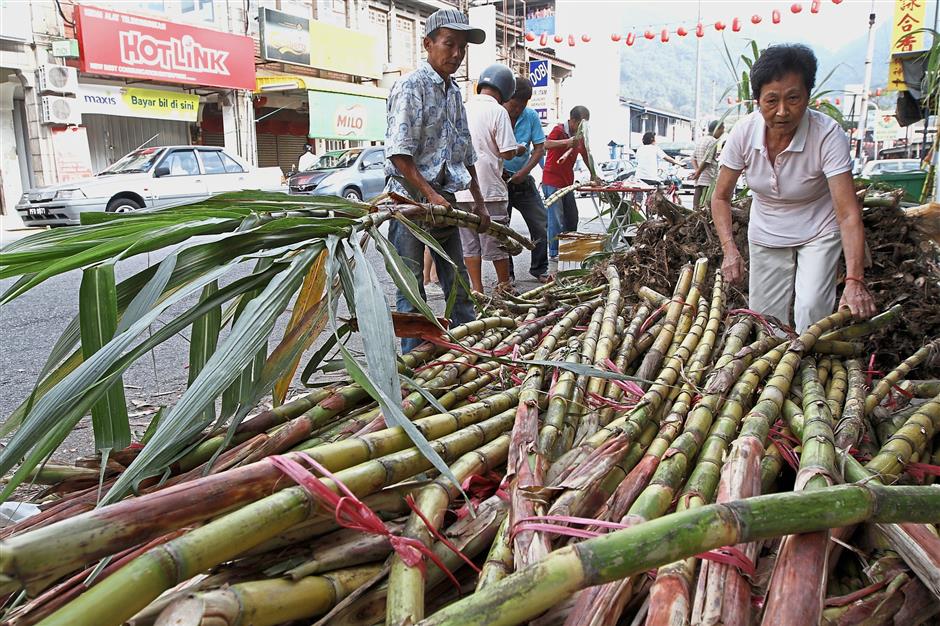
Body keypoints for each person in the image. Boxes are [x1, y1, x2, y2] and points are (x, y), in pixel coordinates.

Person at [712, 43, 877, 333]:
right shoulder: (743, 133)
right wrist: (730, 250)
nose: (782, 111)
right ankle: (775, 372)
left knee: (811, 307)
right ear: (757, 101)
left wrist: (854, 281)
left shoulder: (827, 135)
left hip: (819, 228)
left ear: (808, 96)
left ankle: (808, 366)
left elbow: (849, 213)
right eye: (771, 101)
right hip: (766, 229)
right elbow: (721, 197)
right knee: (766, 319)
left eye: (793, 98)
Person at [384, 8, 489, 352]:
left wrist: (480, 204)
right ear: (428, 44)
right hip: (409, 203)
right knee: (410, 290)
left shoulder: (455, 92)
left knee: (457, 281)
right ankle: (413, 366)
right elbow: (399, 154)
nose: (456, 54)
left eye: (462, 47)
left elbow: (465, 152)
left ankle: (468, 350)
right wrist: (428, 195)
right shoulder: (410, 87)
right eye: (449, 44)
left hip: (443, 200)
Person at [455, 64, 519, 294]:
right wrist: (518, 149)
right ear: (505, 90)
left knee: (469, 244)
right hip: (489, 188)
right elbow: (507, 151)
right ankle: (504, 288)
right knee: (497, 241)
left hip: (461, 189)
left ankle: (477, 290)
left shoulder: (462, 108)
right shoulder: (498, 112)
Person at [503, 76, 551, 282]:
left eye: (521, 106)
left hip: (523, 180)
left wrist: (523, 172)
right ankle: (507, 274)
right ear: (506, 99)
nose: (516, 110)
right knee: (501, 228)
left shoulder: (530, 116)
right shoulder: (496, 114)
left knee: (540, 221)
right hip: (500, 180)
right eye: (514, 105)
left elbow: (539, 148)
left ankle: (539, 268)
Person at [542, 106, 594, 260]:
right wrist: (567, 142)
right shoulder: (559, 130)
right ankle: (554, 252)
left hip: (567, 182)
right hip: (552, 180)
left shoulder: (581, 137)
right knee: (556, 219)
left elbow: (586, 155)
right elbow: (546, 144)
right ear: (573, 121)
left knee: (572, 217)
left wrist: (593, 173)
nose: (581, 127)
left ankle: (568, 249)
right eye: (580, 124)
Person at [691, 121, 724, 209]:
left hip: (700, 174)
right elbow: (707, 161)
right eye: (722, 129)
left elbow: (693, 158)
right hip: (709, 175)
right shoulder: (713, 141)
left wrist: (697, 171)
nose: (722, 132)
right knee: (706, 201)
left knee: (698, 193)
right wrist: (698, 172)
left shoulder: (701, 139)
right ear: (717, 129)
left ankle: (695, 211)